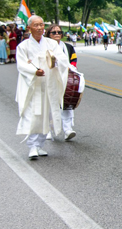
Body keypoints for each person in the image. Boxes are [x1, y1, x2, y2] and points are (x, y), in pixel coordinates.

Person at [15, 15, 70, 159]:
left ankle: (39, 145)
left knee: (48, 114)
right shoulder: (23, 46)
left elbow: (63, 59)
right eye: (36, 25)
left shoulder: (51, 43)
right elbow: (21, 64)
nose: (39, 28)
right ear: (29, 28)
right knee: (34, 115)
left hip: (49, 83)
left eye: (41, 25)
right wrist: (34, 71)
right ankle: (32, 146)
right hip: (33, 86)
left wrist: (55, 61)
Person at [45, 23, 78, 141]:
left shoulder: (68, 47)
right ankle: (48, 129)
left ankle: (68, 129)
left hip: (65, 78)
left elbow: (73, 60)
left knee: (67, 103)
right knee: (49, 105)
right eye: (54, 32)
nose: (57, 34)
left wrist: (71, 68)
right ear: (49, 34)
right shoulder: (45, 47)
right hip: (50, 78)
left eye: (59, 32)